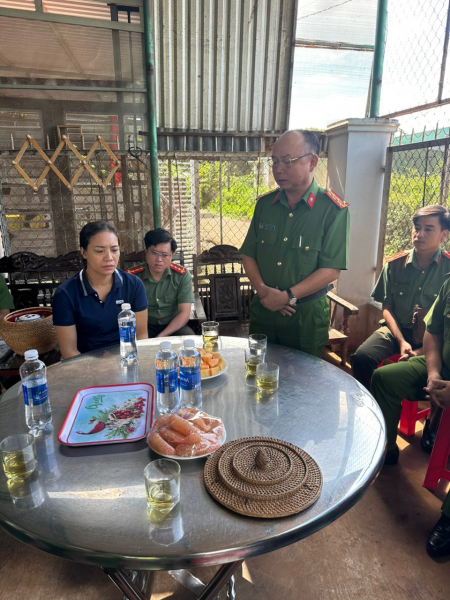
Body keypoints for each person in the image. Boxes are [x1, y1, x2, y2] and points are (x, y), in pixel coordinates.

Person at [240, 129, 349, 357]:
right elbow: (248, 254)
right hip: (264, 310)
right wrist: (263, 292)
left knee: (303, 384)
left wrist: (287, 295)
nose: (278, 169)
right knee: (260, 375)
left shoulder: (332, 210)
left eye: (287, 161)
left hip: (305, 316)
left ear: (312, 162)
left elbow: (331, 269)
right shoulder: (265, 206)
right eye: (275, 161)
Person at [353, 205, 450, 451]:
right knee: (362, 357)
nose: (420, 234)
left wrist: (418, 352)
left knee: (438, 373)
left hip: (431, 338)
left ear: (443, 235)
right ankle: (374, 412)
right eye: (417, 228)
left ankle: (432, 425)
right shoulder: (395, 264)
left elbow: (437, 330)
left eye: (429, 229)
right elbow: (386, 307)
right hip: (396, 330)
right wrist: (401, 341)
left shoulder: (448, 270)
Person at [371, 276, 450, 556]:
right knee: (383, 378)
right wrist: (433, 374)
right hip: (441, 367)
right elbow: (433, 332)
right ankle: (386, 449)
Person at [53, 221, 148, 359]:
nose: (109, 257)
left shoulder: (133, 285)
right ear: (84, 252)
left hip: (127, 360)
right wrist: (100, 369)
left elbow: (141, 336)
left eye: (114, 250)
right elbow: (69, 352)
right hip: (84, 366)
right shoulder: (66, 294)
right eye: (99, 251)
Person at [126, 228, 194, 338]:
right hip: (143, 326)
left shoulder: (181, 275)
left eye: (165, 254)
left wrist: (161, 336)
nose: (159, 259)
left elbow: (184, 313)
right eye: (154, 253)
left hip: (173, 326)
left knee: (189, 339)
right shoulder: (132, 277)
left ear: (171, 256)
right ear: (146, 252)